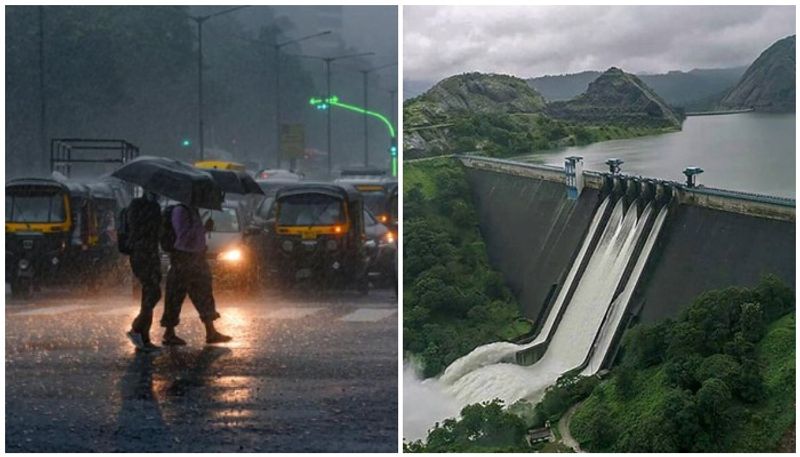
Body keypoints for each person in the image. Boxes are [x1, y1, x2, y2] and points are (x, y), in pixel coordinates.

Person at [160, 203, 232, 345]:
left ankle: (211, 332)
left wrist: (204, 229)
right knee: (175, 295)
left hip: (197, 257)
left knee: (204, 294)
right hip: (184, 258)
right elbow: (183, 236)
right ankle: (169, 333)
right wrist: (201, 229)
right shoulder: (180, 211)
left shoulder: (193, 210)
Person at [126, 191, 162, 352]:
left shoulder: (153, 207)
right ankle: (137, 329)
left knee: (150, 293)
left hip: (150, 253)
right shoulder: (138, 206)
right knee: (152, 292)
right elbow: (140, 229)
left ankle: (143, 335)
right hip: (142, 253)